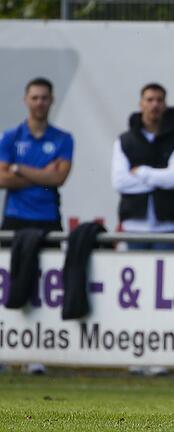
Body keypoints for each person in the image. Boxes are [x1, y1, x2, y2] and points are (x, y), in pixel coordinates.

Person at [0, 77, 74, 376]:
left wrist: (18, 168)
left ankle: (37, 352)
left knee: (43, 284)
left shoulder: (62, 138)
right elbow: (2, 179)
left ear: (51, 100)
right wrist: (39, 174)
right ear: (25, 100)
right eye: (35, 97)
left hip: (47, 220)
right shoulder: (10, 136)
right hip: (14, 218)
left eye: (44, 97)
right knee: (8, 280)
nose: (39, 102)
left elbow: (58, 179)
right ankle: (6, 348)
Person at [111, 83, 174, 251]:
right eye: (149, 100)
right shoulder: (125, 140)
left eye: (159, 100)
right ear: (141, 104)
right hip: (134, 227)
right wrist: (161, 178)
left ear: (165, 105)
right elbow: (120, 182)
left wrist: (140, 172)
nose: (154, 104)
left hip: (170, 227)